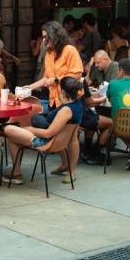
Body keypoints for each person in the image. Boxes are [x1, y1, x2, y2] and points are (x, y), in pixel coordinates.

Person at [23, 21, 84, 183]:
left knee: (71, 137)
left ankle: (72, 171)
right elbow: (46, 78)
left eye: (46, 37)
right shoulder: (49, 53)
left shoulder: (69, 50)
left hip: (70, 98)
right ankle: (64, 164)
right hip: (55, 99)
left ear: (54, 35)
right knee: (56, 132)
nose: (44, 41)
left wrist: (56, 80)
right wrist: (30, 87)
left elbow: (77, 74)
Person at [3, 76, 83, 184]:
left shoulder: (66, 110)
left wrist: (29, 129)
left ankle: (17, 174)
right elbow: (72, 139)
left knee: (8, 129)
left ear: (62, 91)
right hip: (56, 142)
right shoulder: (77, 105)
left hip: (46, 142)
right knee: (14, 137)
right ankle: (16, 174)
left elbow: (48, 133)